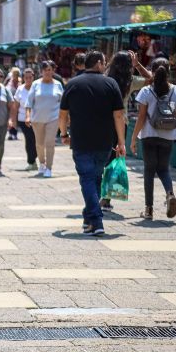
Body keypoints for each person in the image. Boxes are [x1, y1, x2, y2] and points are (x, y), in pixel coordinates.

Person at [59, 51, 126, 236]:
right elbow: (119, 115)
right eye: (104, 62)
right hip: (105, 142)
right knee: (95, 178)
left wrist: (63, 134)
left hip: (80, 141)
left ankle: (96, 221)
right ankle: (89, 218)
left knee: (88, 179)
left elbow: (63, 114)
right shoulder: (110, 83)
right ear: (98, 63)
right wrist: (121, 141)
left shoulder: (72, 84)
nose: (105, 66)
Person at [130, 57, 176, 220]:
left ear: (152, 72)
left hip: (149, 135)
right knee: (163, 168)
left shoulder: (146, 91)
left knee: (149, 171)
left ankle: (148, 209)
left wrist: (133, 138)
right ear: (169, 73)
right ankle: (169, 193)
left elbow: (140, 118)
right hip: (168, 135)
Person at [100, 50, 152, 210]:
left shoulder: (104, 79)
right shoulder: (130, 81)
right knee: (113, 160)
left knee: (101, 158)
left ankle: (100, 194)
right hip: (120, 124)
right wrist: (138, 65)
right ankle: (106, 198)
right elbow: (151, 79)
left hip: (102, 122)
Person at [26, 60, 63, 178]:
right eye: (45, 70)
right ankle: (42, 163)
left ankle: (49, 168)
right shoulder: (36, 84)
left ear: (53, 71)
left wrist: (66, 118)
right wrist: (27, 116)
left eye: (50, 70)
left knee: (50, 143)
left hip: (53, 118)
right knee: (40, 144)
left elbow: (63, 103)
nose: (47, 72)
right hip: (37, 119)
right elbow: (29, 102)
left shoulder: (58, 84)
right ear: (41, 71)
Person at [15, 68, 38, 171]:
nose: (28, 79)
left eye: (30, 77)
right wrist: (13, 120)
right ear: (23, 78)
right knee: (29, 140)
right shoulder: (20, 89)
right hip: (23, 119)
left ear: (33, 77)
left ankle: (38, 159)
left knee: (38, 141)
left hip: (38, 119)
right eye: (26, 77)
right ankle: (31, 161)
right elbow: (15, 106)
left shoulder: (37, 88)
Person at [5, 67, 21, 140]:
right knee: (10, 118)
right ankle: (10, 133)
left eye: (17, 74)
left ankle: (15, 133)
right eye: (14, 73)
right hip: (10, 102)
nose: (16, 75)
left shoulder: (20, 81)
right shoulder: (9, 80)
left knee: (16, 119)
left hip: (17, 103)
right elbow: (4, 87)